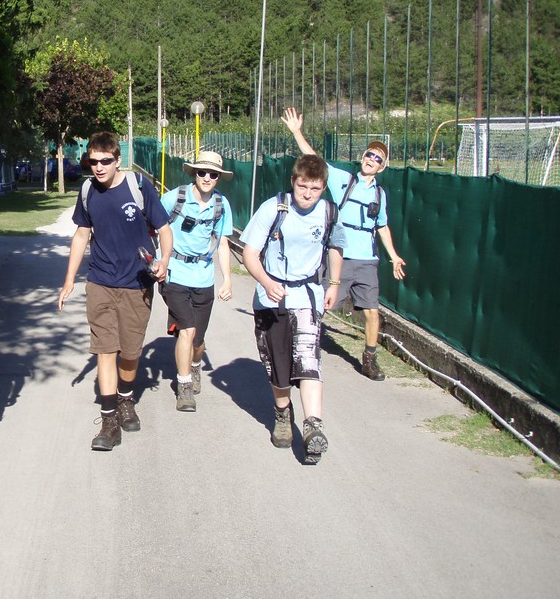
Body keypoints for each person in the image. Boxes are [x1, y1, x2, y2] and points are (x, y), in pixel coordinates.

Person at [57, 131, 173, 451]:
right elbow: (82, 235)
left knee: (130, 352)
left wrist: (164, 260)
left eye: (105, 161)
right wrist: (69, 280)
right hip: (100, 282)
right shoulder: (88, 191)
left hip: (137, 283)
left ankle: (125, 398)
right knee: (105, 349)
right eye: (93, 161)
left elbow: (164, 229)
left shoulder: (138, 186)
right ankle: (109, 421)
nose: (99, 167)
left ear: (118, 160)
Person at [281, 107, 407, 380]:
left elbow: (382, 226)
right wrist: (297, 132)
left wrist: (394, 256)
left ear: (382, 167)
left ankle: (369, 359)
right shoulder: (344, 180)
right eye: (369, 154)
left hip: (367, 261)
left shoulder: (380, 194)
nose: (371, 159)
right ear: (363, 157)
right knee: (322, 306)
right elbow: (316, 160)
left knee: (372, 312)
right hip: (340, 257)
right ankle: (302, 349)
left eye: (377, 158)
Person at [242, 154, 345, 463]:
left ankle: (313, 426)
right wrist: (266, 281)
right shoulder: (274, 208)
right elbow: (250, 252)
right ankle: (283, 412)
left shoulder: (329, 212)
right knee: (279, 366)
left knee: (309, 360)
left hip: (308, 297)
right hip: (272, 298)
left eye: (315, 188)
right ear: (293, 182)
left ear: (323, 188)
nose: (307, 194)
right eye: (302, 186)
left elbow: (336, 247)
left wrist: (334, 284)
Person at [159, 151, 234, 412]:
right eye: (202, 172)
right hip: (175, 274)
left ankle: (195, 365)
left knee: (197, 341)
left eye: (213, 174)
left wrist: (227, 280)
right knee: (186, 331)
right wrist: (158, 261)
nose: (207, 178)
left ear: (218, 178)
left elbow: (222, 243)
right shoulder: (174, 198)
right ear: (194, 173)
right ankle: (184, 387)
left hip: (203, 277)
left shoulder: (221, 205)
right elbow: (155, 227)